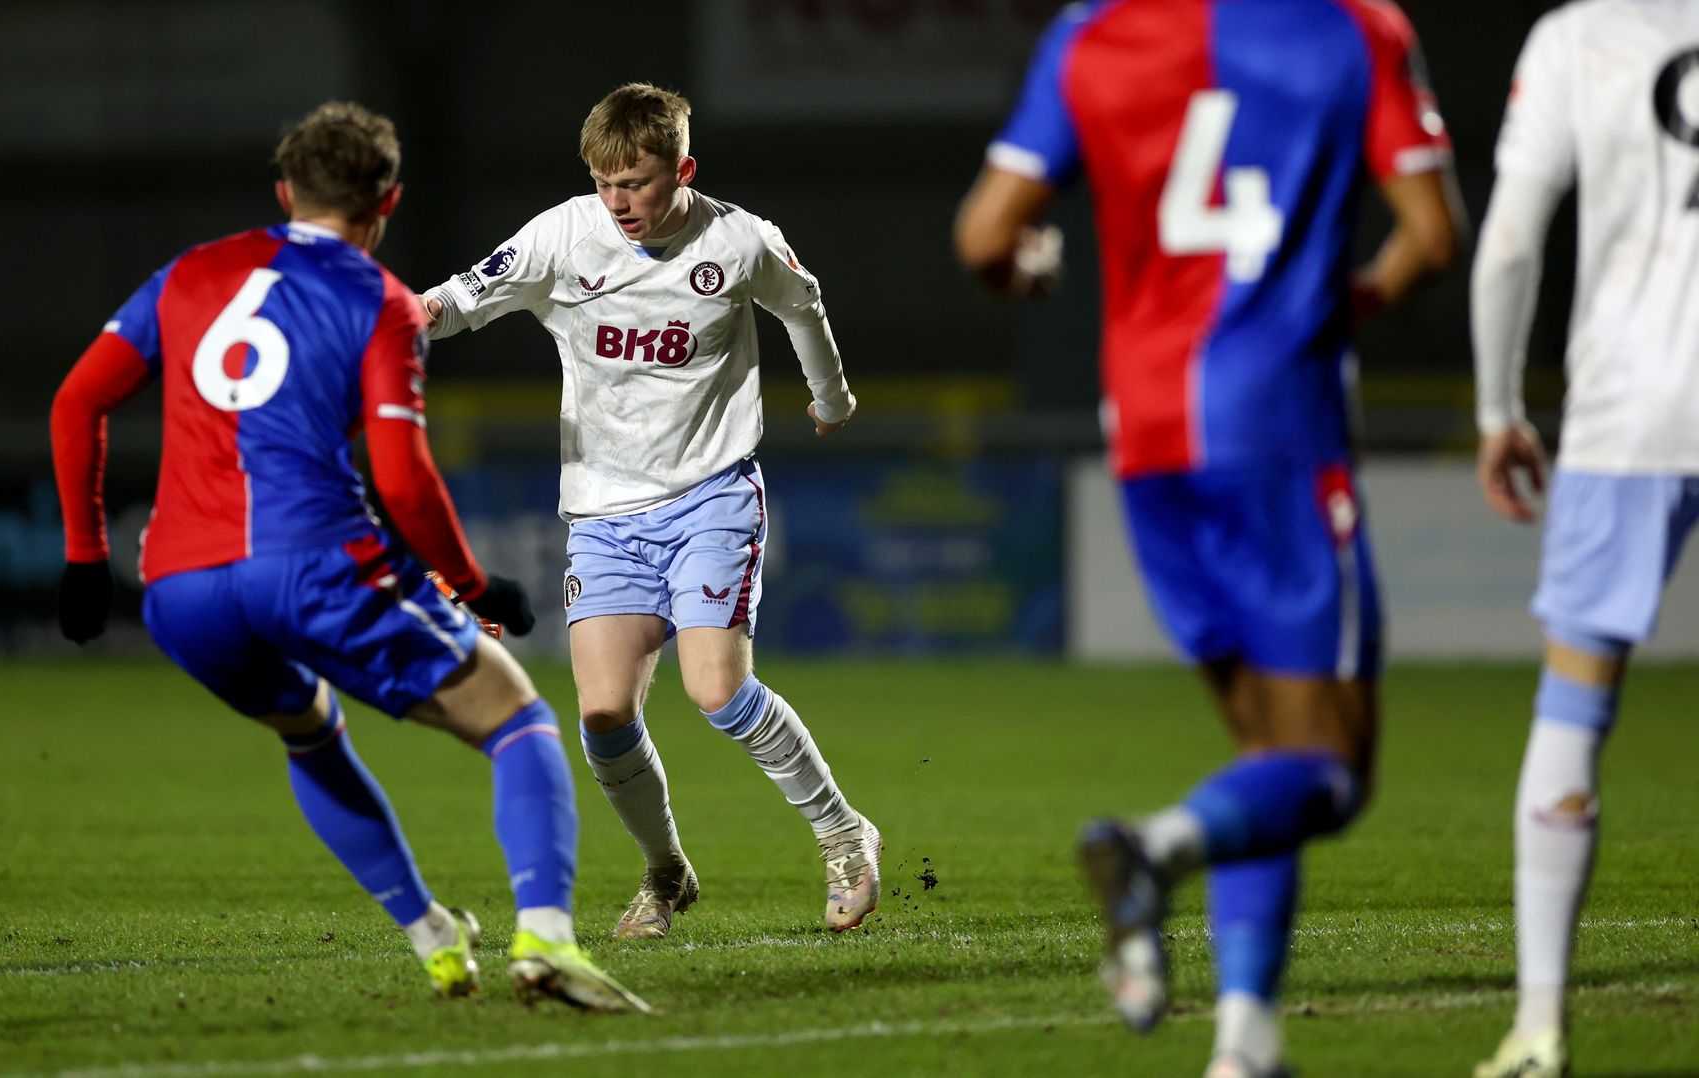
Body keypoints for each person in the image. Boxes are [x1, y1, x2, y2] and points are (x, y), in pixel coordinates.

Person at [49, 101, 647, 1012]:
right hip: (316, 564)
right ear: (387, 203)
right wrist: (474, 584)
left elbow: (76, 404)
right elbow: (403, 483)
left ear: (283, 191)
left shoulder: (189, 275)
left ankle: (433, 935)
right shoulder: (380, 300)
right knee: (517, 720)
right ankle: (548, 942)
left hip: (180, 587)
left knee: (308, 729)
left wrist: (87, 557)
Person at [954, 3, 1461, 1074]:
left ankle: (1244, 1041)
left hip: (1143, 437)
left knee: (1266, 755)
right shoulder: (1351, 29)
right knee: (1333, 770)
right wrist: (1354, 300)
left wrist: (1029, 274)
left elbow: (987, 236)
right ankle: (1155, 848)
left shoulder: (1092, 33)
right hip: (1278, 428)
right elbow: (1433, 230)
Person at [417, 83, 880, 939]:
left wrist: (831, 399)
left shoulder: (739, 241)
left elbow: (802, 303)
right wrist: (412, 317)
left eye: (636, 182)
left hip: (712, 492)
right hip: (603, 513)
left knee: (716, 690)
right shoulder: (563, 234)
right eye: (604, 182)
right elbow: (462, 298)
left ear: (682, 169)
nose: (618, 201)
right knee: (602, 715)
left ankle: (844, 835)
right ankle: (666, 874)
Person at [1469, 4, 1699, 1076]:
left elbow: (1512, 240)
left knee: (1574, 706)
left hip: (1631, 407)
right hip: (1629, 410)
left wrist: (1496, 407)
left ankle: (1541, 1027)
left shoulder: (1581, 34)